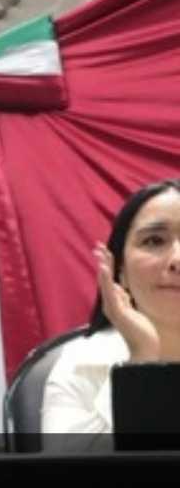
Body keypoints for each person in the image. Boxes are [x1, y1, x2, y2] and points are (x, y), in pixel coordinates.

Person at [42, 179, 180, 450]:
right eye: (154, 240)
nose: (177, 260)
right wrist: (141, 362)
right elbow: (69, 481)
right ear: (121, 272)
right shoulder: (79, 365)